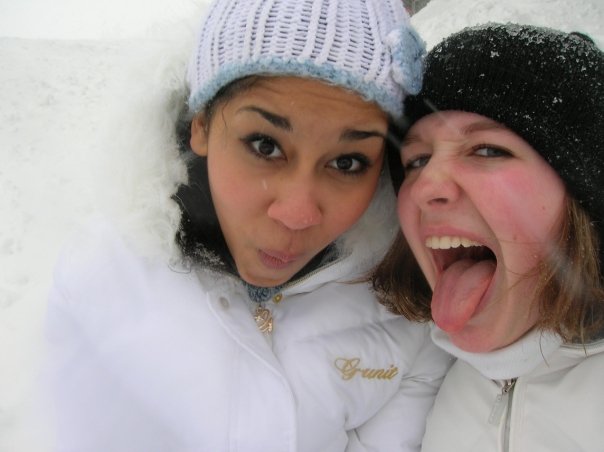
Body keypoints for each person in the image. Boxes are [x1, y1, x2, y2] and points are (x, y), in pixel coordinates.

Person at [42, 1, 451, 451]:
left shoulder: (408, 302)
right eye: (265, 145)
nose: (297, 214)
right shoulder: (101, 279)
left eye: (347, 162)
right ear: (200, 125)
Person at [372, 23, 604, 451]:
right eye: (417, 160)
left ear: (583, 194)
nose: (424, 188)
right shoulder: (431, 374)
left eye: (488, 150)